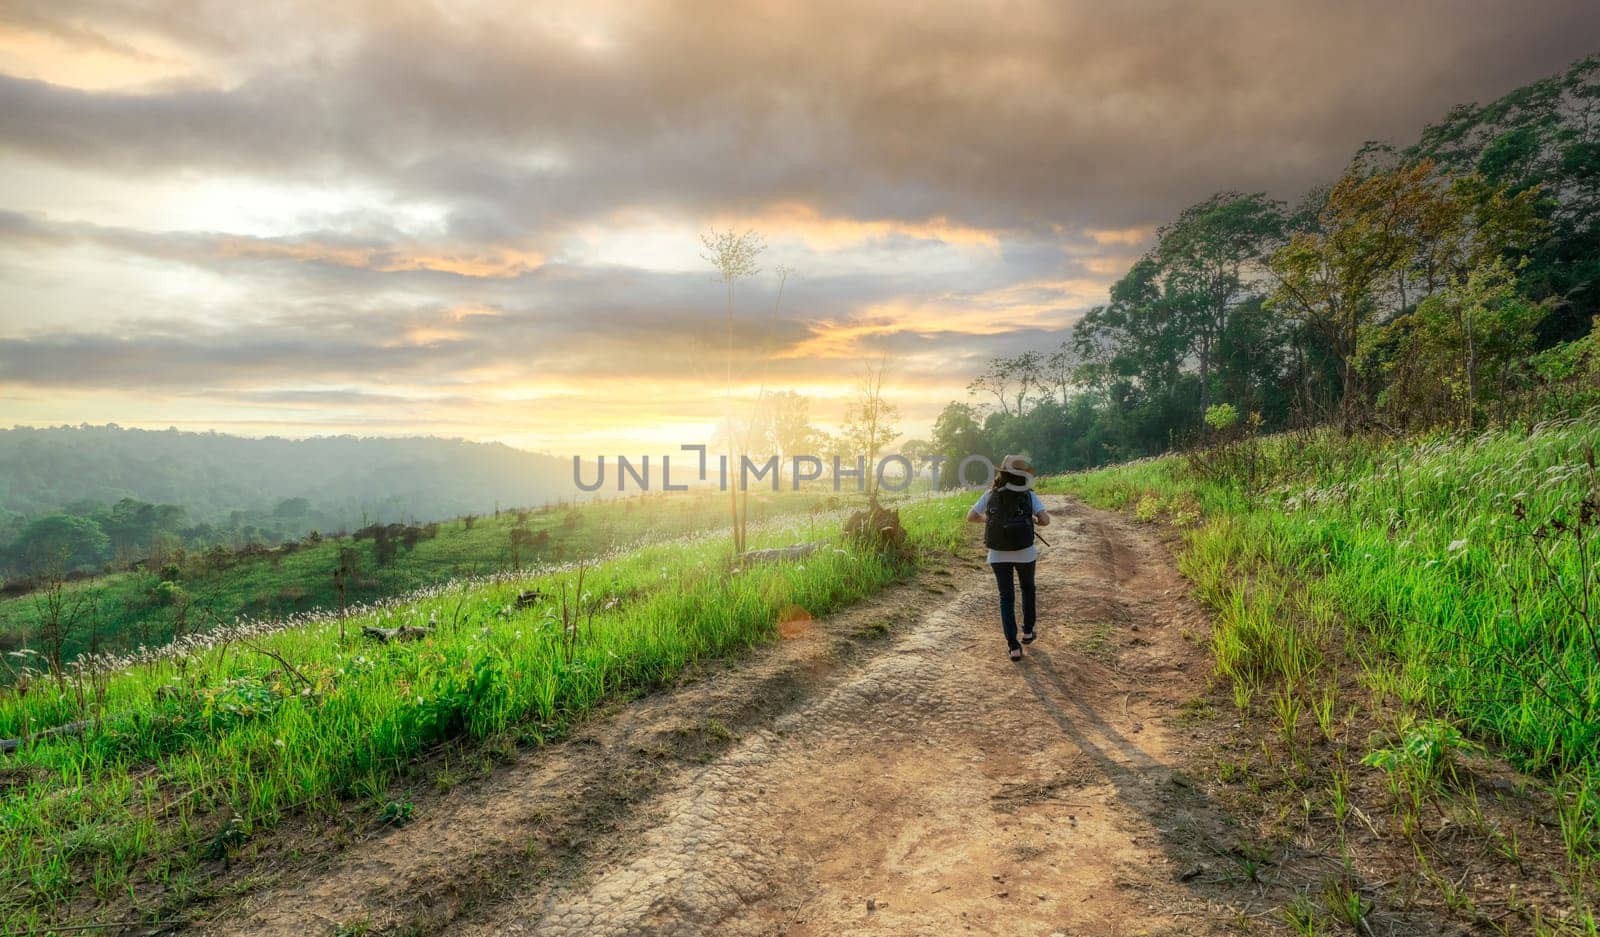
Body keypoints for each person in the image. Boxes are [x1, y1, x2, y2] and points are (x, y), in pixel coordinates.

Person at [966, 454, 1050, 661]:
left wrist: (989, 518)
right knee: (1028, 588)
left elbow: (971, 517)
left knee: (1006, 596)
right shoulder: (1029, 496)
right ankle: (1028, 632)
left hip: (997, 553)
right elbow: (1045, 521)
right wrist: (1030, 519)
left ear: (1002, 474)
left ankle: (1013, 647)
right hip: (1025, 552)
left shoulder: (990, 494)